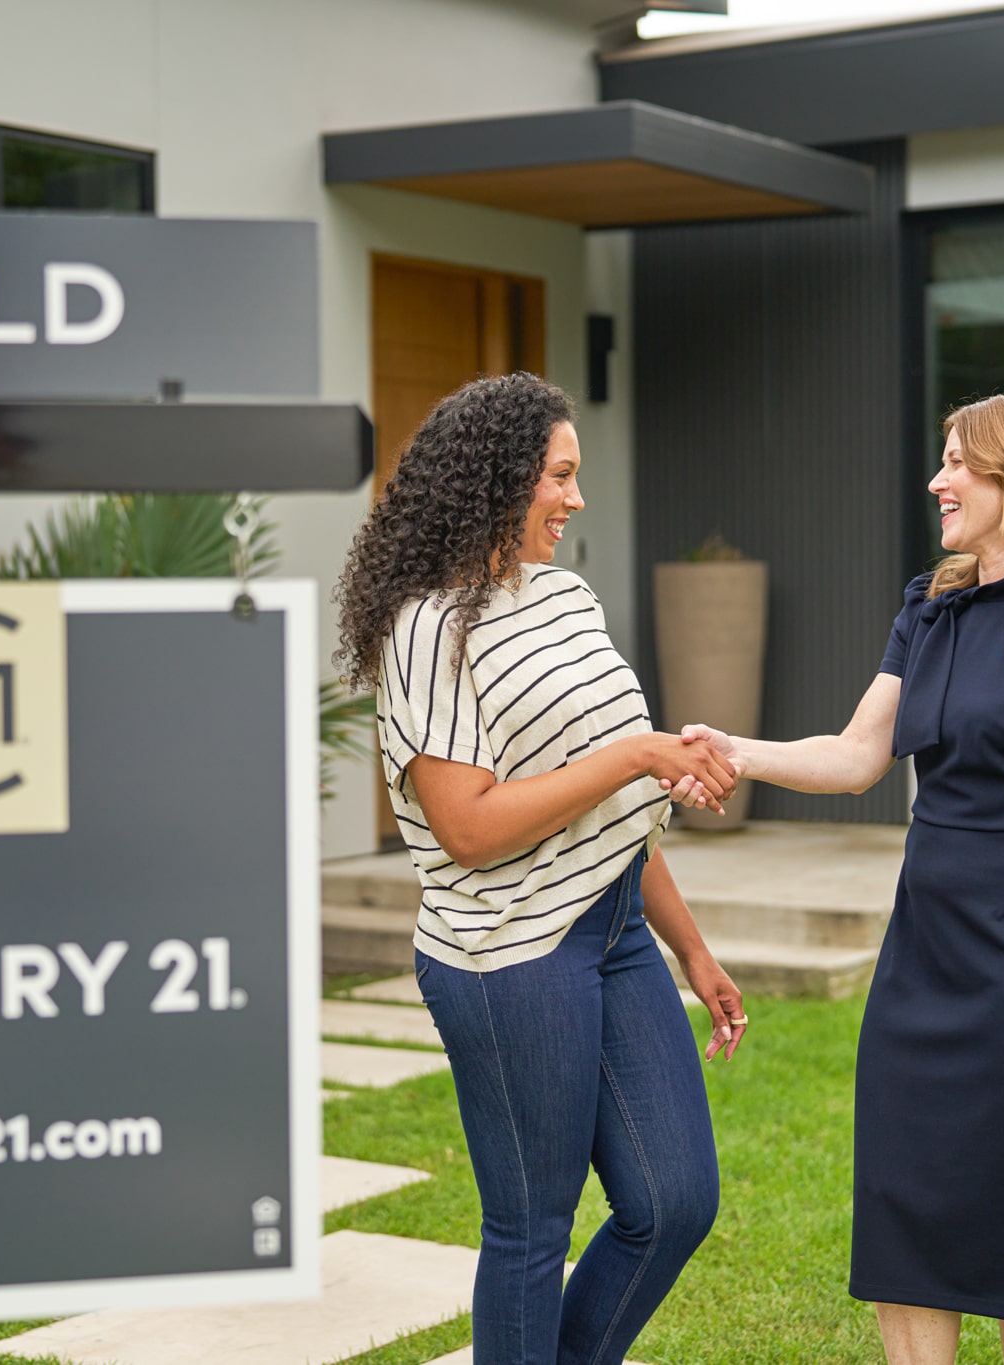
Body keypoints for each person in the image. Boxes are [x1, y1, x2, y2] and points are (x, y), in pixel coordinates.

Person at [677, 391, 1004, 1365]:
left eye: (956, 463)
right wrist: (737, 750)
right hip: (919, 970)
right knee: (905, 1226)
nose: (935, 481)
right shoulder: (930, 607)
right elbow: (857, 755)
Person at [332, 372, 748, 1365]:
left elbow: (602, 811)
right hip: (506, 958)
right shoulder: (427, 628)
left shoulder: (563, 595)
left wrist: (688, 949)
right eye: (559, 476)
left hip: (608, 927)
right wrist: (640, 753)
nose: (573, 497)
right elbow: (467, 830)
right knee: (529, 1235)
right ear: (500, 480)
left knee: (674, 1198)